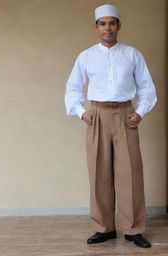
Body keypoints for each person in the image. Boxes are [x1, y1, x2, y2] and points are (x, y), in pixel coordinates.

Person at [64, 4, 157, 249]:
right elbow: (73, 87)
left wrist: (140, 112)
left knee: (131, 175)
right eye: (102, 24)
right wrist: (81, 112)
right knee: (99, 173)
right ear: (96, 27)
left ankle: (133, 229)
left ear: (119, 26)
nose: (107, 28)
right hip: (97, 115)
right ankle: (103, 228)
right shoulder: (86, 56)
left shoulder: (132, 54)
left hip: (126, 114)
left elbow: (147, 87)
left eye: (112, 23)